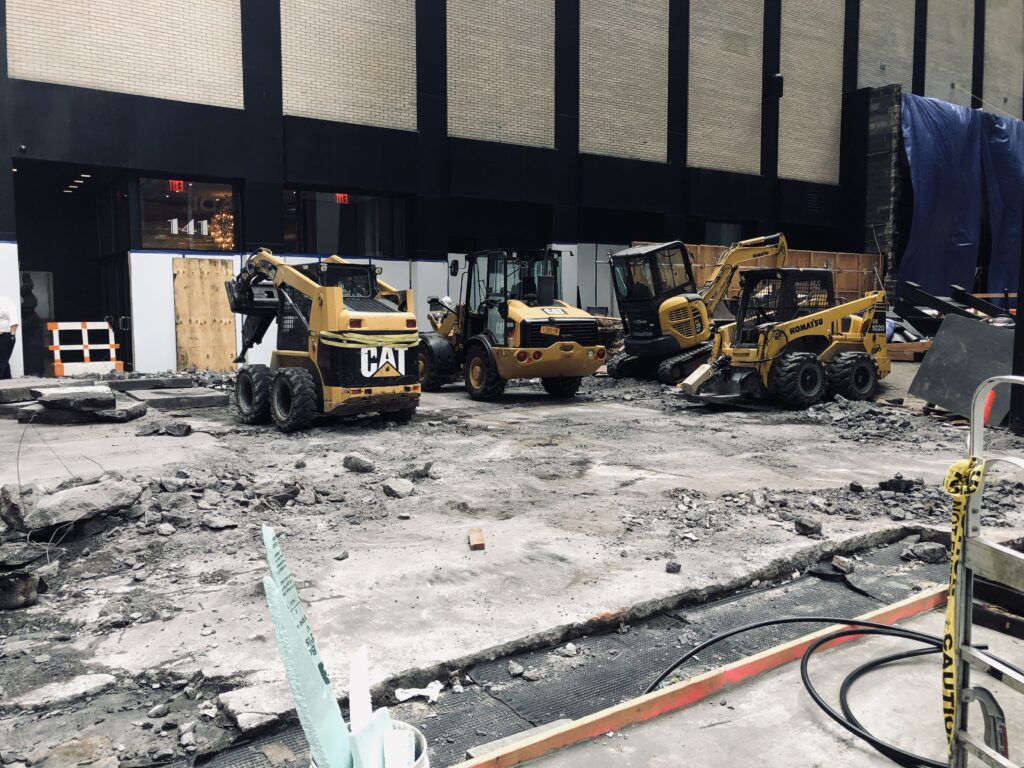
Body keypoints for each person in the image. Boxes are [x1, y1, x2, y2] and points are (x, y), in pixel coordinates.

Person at [0, 293, 19, 379]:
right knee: (4, 360)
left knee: (1, 359)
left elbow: (13, 320)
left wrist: (12, 335)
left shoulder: (5, 302)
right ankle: (8, 380)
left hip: (6, 335)